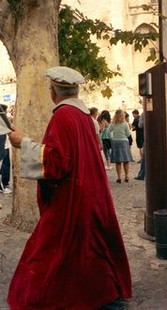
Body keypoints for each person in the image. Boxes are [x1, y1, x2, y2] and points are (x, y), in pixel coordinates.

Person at [7, 66, 131, 308]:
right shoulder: (84, 116)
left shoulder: (63, 116)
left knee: (51, 255)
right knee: (87, 251)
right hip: (90, 194)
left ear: (53, 91)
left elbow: (57, 162)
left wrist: (24, 143)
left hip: (71, 199)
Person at [110, 109, 133, 183]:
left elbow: (108, 132)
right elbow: (128, 134)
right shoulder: (125, 123)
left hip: (115, 142)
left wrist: (112, 138)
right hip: (124, 142)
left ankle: (119, 177)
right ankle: (126, 176)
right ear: (123, 115)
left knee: (118, 161)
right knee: (126, 160)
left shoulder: (113, 123)